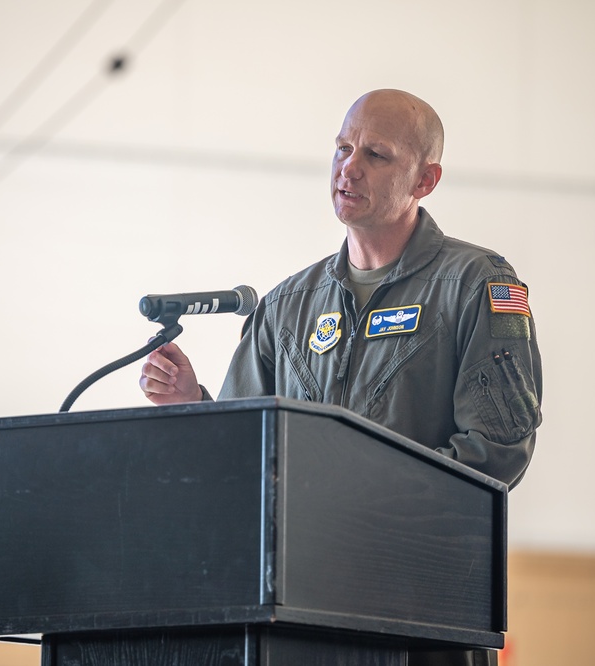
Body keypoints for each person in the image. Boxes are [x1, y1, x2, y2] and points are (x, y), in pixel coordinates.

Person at [139, 89, 542, 665]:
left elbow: (497, 449)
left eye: (376, 154)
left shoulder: (476, 285)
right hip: (299, 609)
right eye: (342, 148)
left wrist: (361, 505)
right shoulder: (287, 305)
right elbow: (241, 452)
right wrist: (191, 403)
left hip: (420, 607)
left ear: (425, 180)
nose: (348, 167)